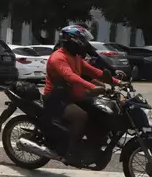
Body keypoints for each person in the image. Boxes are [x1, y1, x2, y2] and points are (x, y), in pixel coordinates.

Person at [43, 25, 121, 165]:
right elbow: (71, 77)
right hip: (56, 98)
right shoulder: (58, 58)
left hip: (72, 96)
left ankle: (92, 146)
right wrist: (93, 87)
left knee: (100, 111)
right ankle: (70, 151)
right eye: (83, 41)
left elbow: (94, 72)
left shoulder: (76, 58)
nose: (85, 44)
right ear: (73, 41)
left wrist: (118, 82)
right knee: (80, 116)